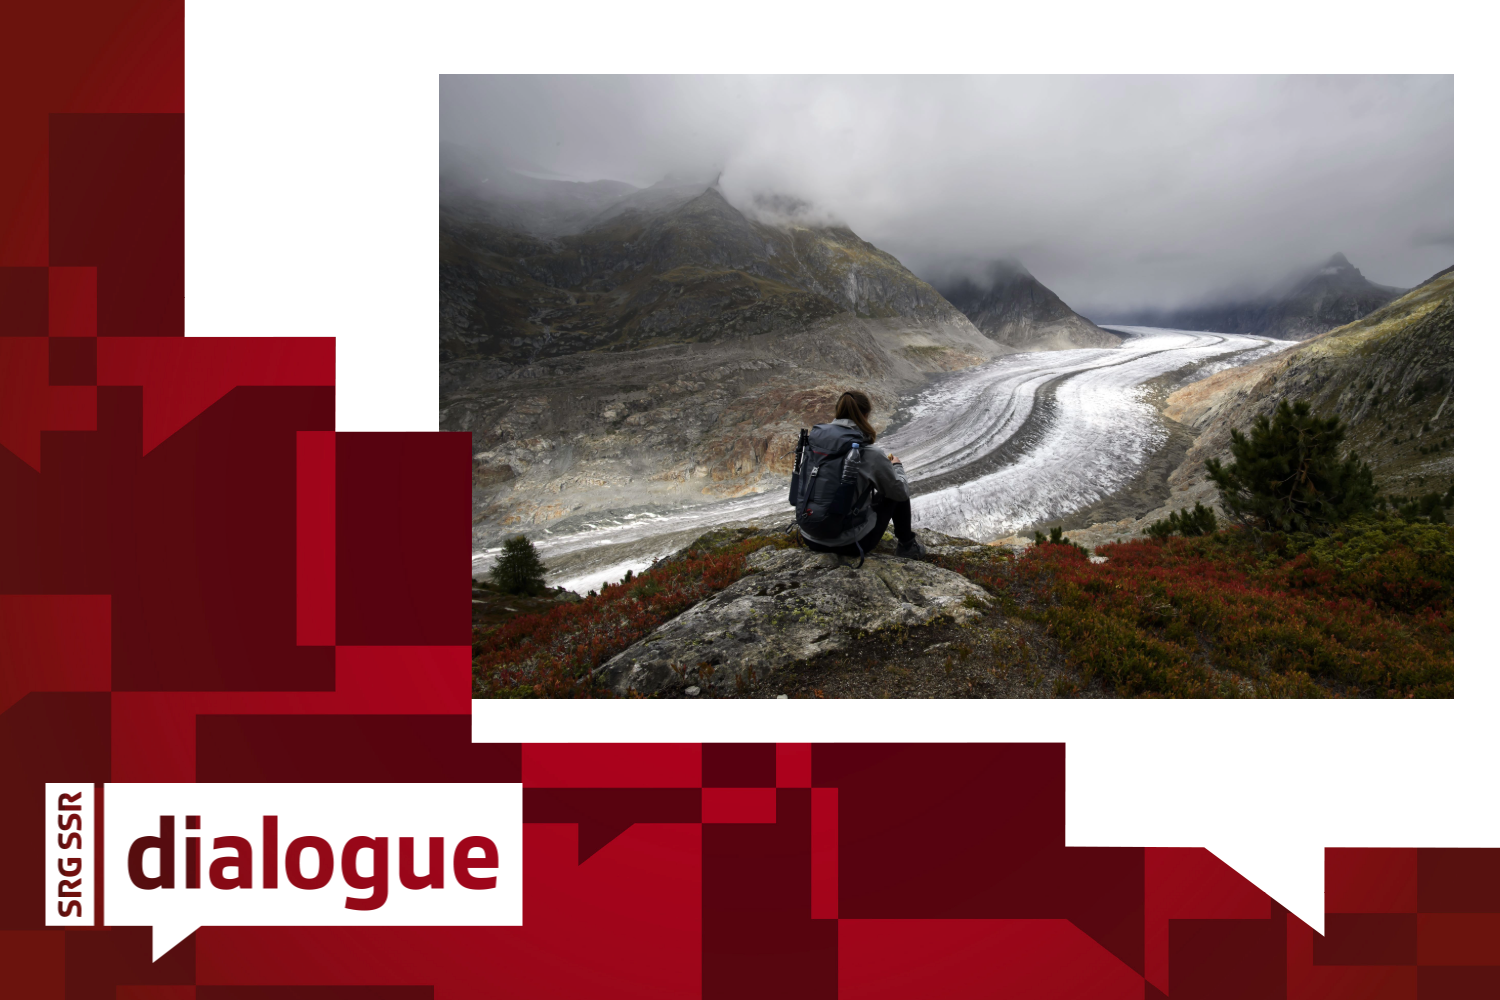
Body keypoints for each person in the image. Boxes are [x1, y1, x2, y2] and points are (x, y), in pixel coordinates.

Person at [793, 390, 925, 559]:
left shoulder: (815, 443)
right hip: (850, 543)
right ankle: (907, 546)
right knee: (896, 487)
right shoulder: (868, 452)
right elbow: (899, 492)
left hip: (809, 537)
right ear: (865, 415)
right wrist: (896, 466)